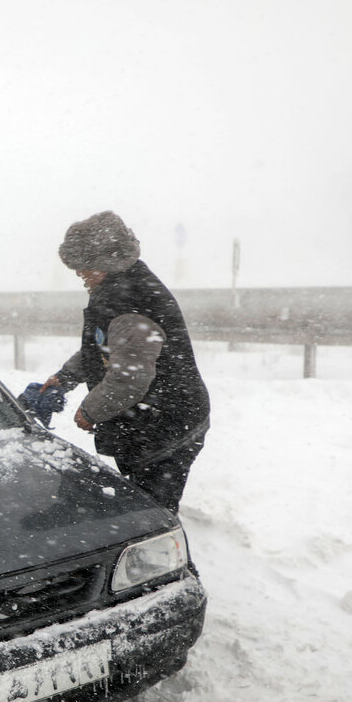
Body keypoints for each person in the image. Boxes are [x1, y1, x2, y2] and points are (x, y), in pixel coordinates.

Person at [42, 211, 210, 512]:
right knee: (143, 504)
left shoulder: (129, 301)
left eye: (84, 265)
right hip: (155, 421)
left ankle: (164, 557)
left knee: (151, 516)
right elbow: (103, 347)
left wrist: (90, 411)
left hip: (166, 428)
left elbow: (130, 377)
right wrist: (66, 376)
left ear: (105, 261)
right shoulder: (121, 288)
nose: (79, 273)